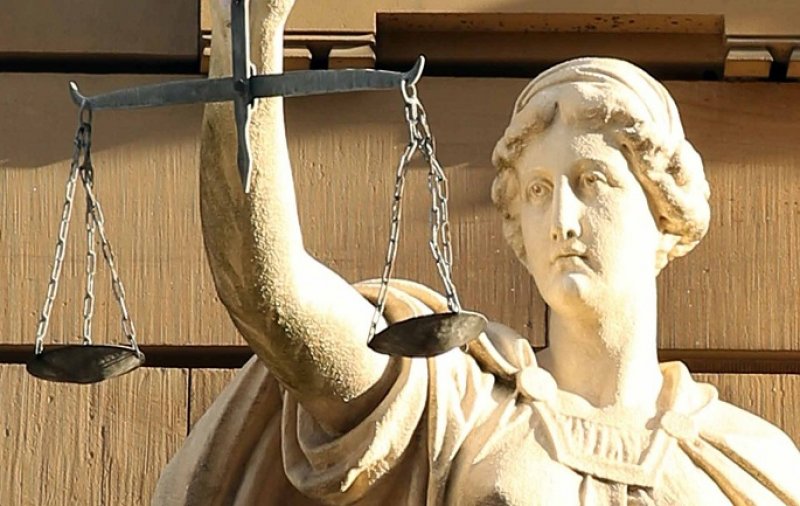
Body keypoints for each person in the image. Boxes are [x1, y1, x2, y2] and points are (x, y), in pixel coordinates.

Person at [154, 1, 800, 504]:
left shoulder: (754, 462)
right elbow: (274, 297)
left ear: (663, 210)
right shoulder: (455, 398)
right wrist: (249, 30)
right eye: (538, 192)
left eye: (592, 182)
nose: (561, 220)